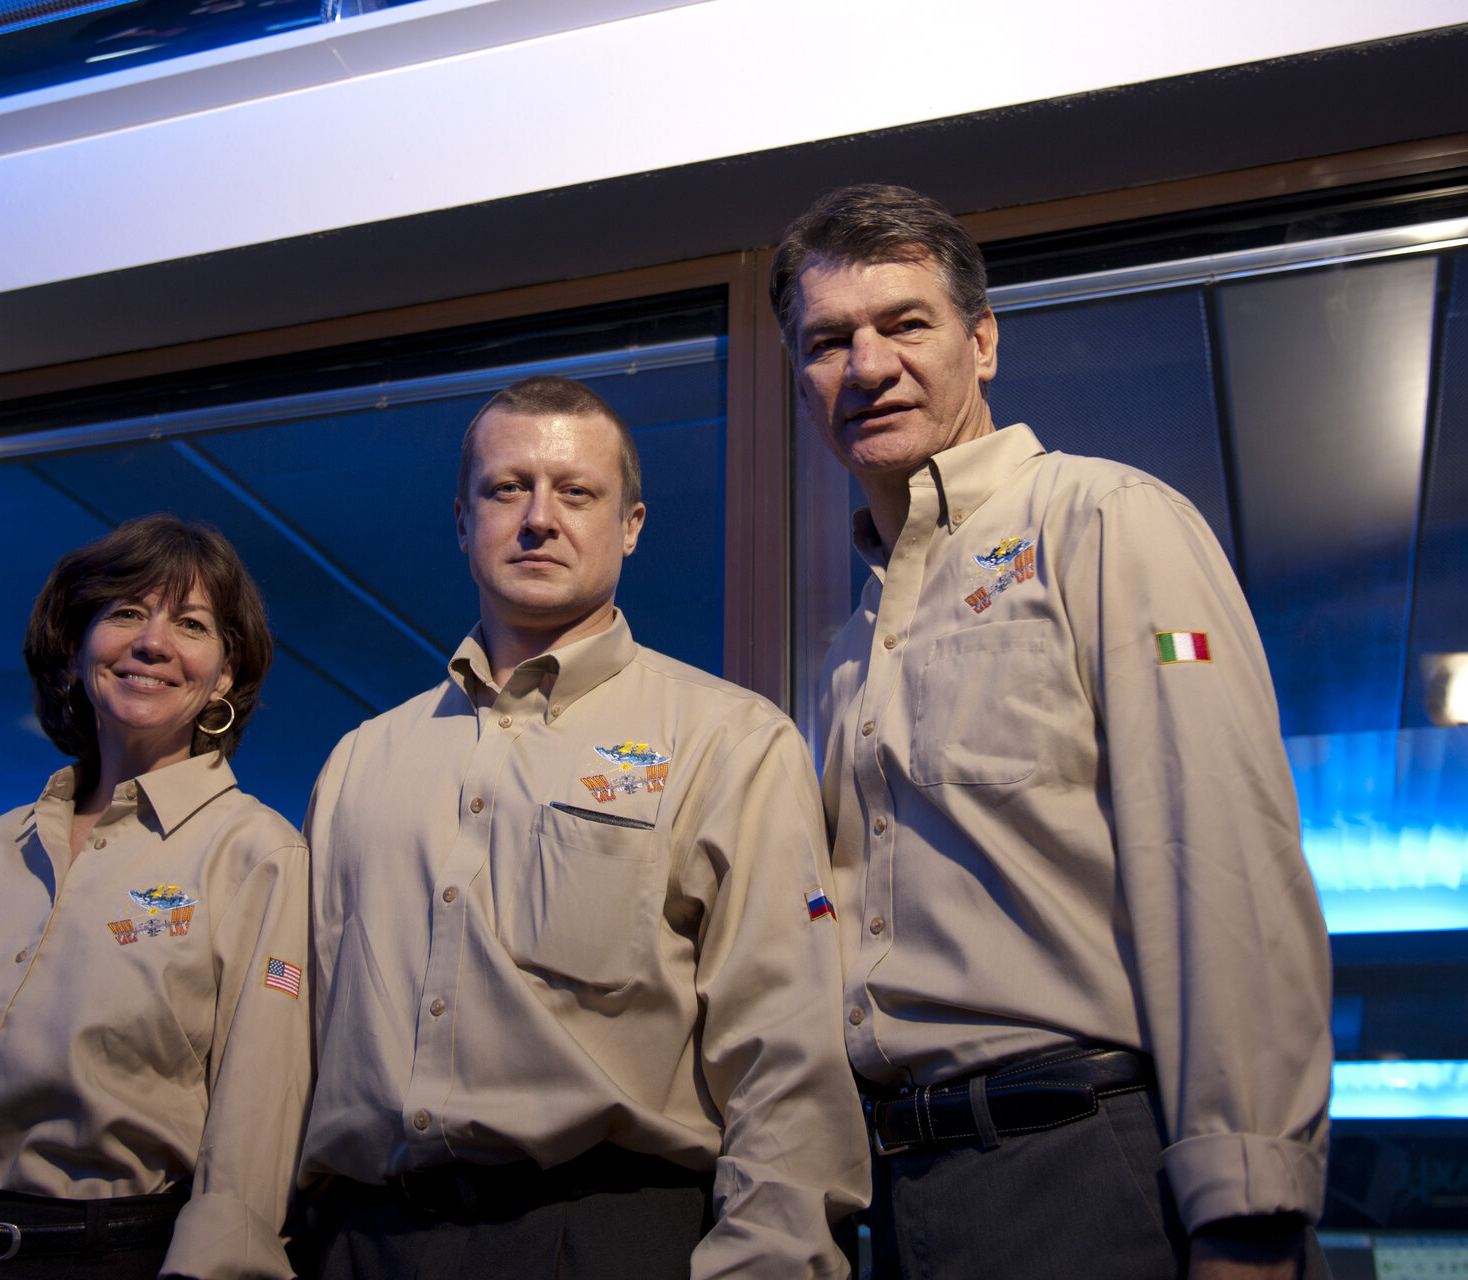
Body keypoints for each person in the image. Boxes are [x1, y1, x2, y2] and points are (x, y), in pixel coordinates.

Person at [770, 184, 1333, 1279]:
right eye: (830, 340)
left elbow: (1220, 859)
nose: (868, 364)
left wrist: (1247, 1210)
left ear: (982, 342)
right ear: (801, 384)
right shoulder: (852, 651)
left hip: (1096, 1165)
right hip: (914, 1197)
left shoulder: (1109, 522)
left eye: (906, 323)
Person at [291, 376, 869, 1279]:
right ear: (461, 519)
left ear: (630, 525)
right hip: (362, 1244)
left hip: (603, 1238)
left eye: (576, 491)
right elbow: (302, 1048)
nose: (538, 518)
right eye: (506, 488)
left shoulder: (728, 739)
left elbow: (784, 1052)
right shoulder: (360, 762)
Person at [0, 515, 310, 1280]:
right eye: (124, 613)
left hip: (106, 1259)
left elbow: (256, 1123)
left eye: (190, 623)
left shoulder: (257, 854)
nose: (152, 642)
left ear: (223, 676)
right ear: (75, 652)